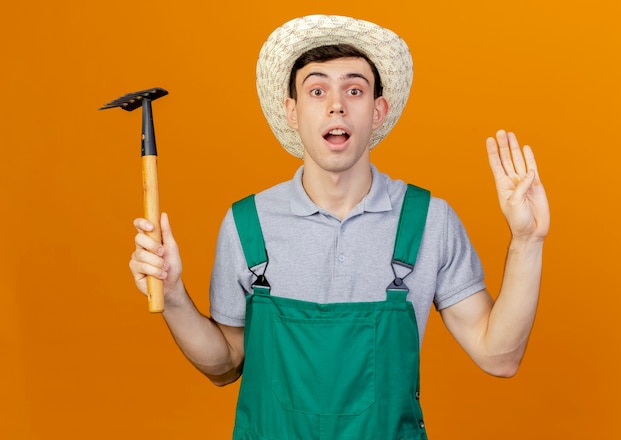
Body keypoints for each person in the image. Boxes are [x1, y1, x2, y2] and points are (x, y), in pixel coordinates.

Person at [129, 15, 550, 440]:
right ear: (292, 111)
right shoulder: (246, 223)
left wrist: (527, 241)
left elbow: (499, 357)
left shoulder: (429, 221)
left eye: (354, 89)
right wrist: (175, 294)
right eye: (317, 90)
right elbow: (224, 366)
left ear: (378, 111)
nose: (336, 105)